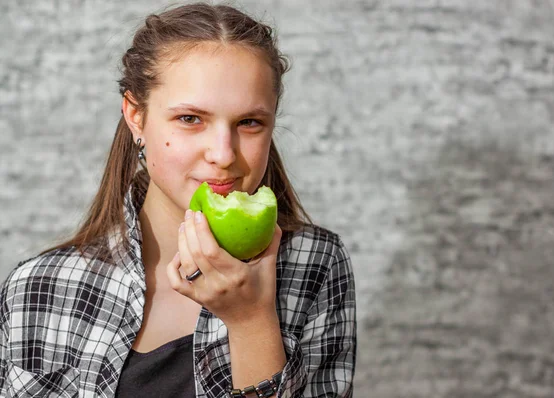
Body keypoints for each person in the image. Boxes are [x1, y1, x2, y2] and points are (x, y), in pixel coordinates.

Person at [0, 2, 356, 398]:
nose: (223, 154)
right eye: (190, 119)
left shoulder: (315, 264)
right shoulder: (38, 288)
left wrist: (252, 321)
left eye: (249, 123)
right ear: (136, 116)